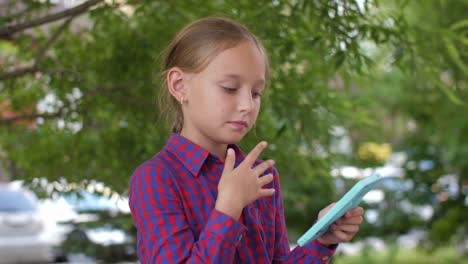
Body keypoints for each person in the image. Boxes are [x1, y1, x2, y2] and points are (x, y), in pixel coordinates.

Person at [128, 17, 364, 264]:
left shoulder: (259, 175)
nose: (247, 105)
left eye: (256, 93)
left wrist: (320, 241)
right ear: (179, 86)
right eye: (230, 88)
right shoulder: (156, 178)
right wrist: (228, 208)